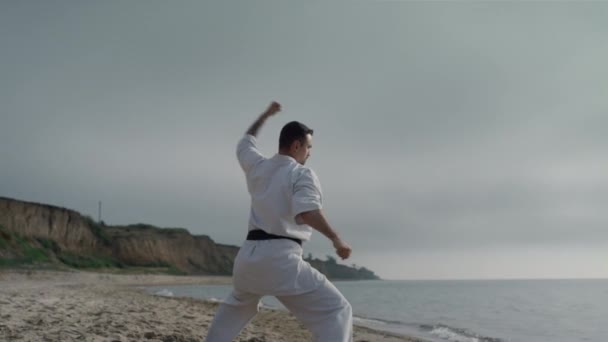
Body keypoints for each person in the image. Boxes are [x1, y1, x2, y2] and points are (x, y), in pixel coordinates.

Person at [204, 101, 353, 342]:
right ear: (297, 145)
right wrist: (337, 239)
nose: (310, 153)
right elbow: (307, 212)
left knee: (235, 309)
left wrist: (265, 115)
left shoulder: (257, 166)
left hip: (247, 260)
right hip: (280, 260)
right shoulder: (301, 173)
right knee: (336, 310)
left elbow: (246, 140)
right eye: (309, 147)